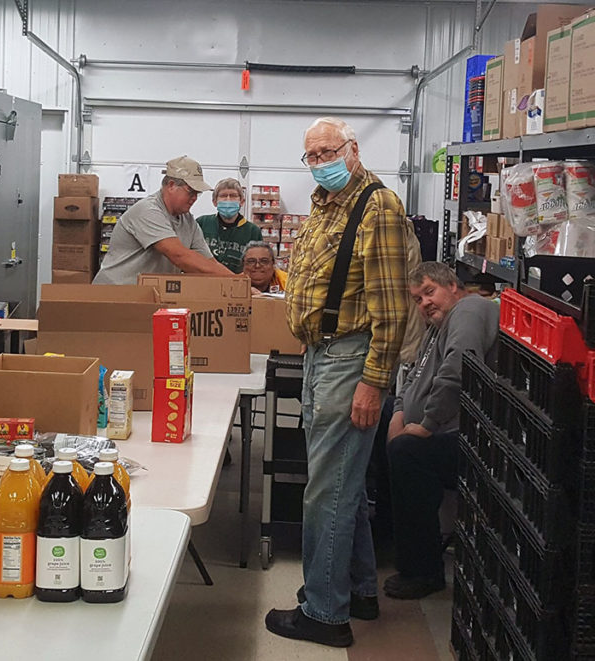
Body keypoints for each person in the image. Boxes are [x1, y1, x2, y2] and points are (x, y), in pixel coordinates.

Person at [266, 117, 410, 648]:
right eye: (312, 154)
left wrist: (372, 383)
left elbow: (391, 311)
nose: (321, 160)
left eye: (329, 149)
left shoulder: (378, 207)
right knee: (342, 482)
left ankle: (325, 614)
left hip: (350, 363)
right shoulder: (329, 204)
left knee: (327, 490)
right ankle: (359, 590)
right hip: (321, 355)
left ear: (352, 149)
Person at [385, 262, 498, 599]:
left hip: (467, 440)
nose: (424, 304)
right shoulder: (436, 327)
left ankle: (423, 570)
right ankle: (387, 537)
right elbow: (412, 376)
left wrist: (425, 425)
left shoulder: (469, 309)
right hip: (432, 426)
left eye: (429, 292)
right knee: (373, 425)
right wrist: (399, 413)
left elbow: (459, 368)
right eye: (418, 299)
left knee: (406, 453)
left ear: (452, 285)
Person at [92, 155, 234, 284]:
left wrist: (240, 283)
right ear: (171, 185)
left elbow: (209, 263)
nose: (195, 198)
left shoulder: (188, 221)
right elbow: (179, 255)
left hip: (145, 296)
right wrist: (237, 281)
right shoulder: (148, 211)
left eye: (198, 193)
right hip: (115, 295)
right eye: (191, 191)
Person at [195, 178, 263, 273]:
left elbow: (257, 264)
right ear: (214, 201)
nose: (228, 199)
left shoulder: (253, 231)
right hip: (204, 280)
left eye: (233, 196)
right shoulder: (202, 223)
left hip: (237, 284)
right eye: (223, 196)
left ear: (242, 202)